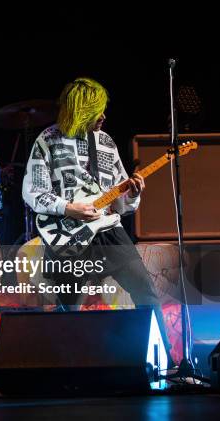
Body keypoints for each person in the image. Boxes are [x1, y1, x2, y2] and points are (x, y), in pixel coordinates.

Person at [22, 77, 172, 354]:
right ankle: (68, 365)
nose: (103, 117)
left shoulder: (105, 142)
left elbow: (122, 202)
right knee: (71, 306)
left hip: (109, 231)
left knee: (146, 293)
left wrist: (133, 194)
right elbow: (33, 193)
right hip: (68, 235)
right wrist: (68, 208)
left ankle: (166, 360)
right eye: (95, 112)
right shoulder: (48, 141)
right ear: (78, 112)